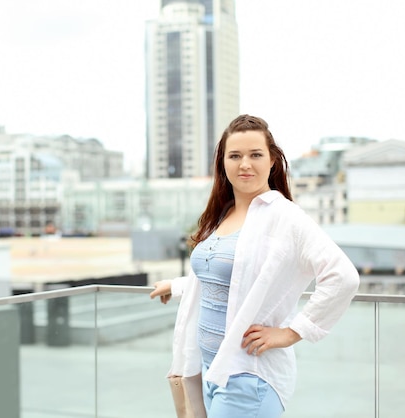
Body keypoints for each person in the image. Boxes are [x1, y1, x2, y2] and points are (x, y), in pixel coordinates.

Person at [150, 114, 359, 417]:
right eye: (234, 155)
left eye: (255, 155)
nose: (244, 164)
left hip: (249, 377)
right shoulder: (224, 213)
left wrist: (290, 333)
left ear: (273, 160)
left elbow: (343, 277)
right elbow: (235, 277)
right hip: (212, 371)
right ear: (222, 162)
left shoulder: (285, 216)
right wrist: (178, 285)